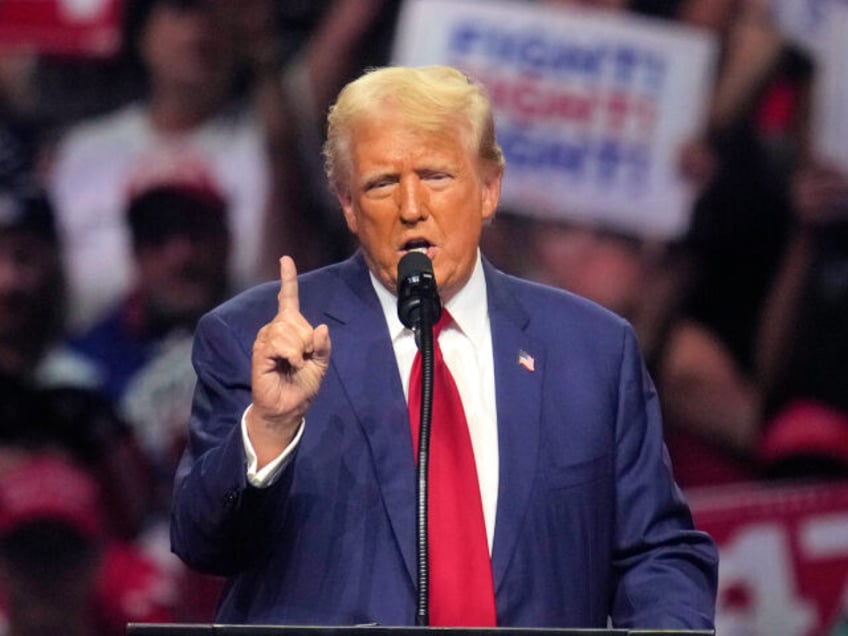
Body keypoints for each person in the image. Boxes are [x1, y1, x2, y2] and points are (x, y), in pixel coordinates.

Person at [171, 65, 718, 628]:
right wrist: (269, 430)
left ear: (489, 188)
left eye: (435, 176)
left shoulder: (593, 351)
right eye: (382, 183)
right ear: (349, 206)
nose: (412, 206)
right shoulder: (258, 339)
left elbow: (658, 553)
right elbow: (203, 543)